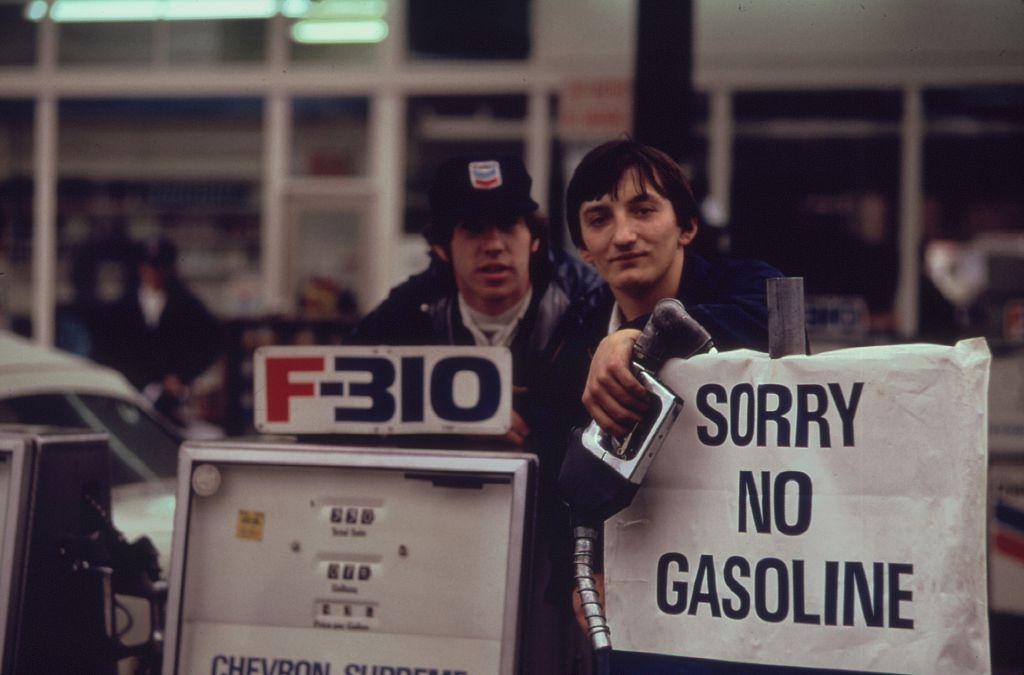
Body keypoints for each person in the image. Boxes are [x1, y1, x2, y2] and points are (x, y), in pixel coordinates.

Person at [345, 154, 602, 674]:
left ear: (533, 236)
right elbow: (344, 393)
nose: (494, 245)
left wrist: (529, 414)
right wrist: (454, 413)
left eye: (509, 225)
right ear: (442, 246)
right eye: (473, 228)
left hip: (556, 541)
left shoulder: (585, 301)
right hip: (444, 538)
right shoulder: (413, 306)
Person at [548, 138, 785, 671]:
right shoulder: (573, 341)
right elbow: (564, 483)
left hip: (748, 580)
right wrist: (584, 573)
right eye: (598, 218)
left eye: (644, 209)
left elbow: (773, 317)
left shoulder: (746, 284)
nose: (624, 235)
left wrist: (636, 337)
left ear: (687, 227)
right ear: (583, 247)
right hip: (639, 584)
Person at [91, 237, 222, 428]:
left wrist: (182, 376)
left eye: (160, 267)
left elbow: (209, 343)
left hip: (171, 398)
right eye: (149, 266)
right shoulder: (120, 308)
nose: (153, 273)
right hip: (130, 392)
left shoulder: (188, 305)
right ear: (140, 268)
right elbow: (106, 350)